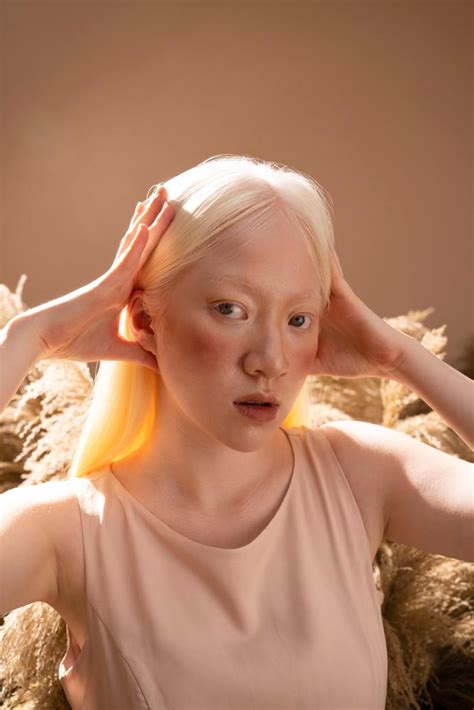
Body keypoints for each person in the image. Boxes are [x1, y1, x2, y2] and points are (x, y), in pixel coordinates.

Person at [0, 154, 472, 710]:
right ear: (146, 319)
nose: (270, 361)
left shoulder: (361, 473)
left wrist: (400, 358)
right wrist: (26, 340)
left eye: (298, 319)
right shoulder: (63, 531)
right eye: (231, 309)